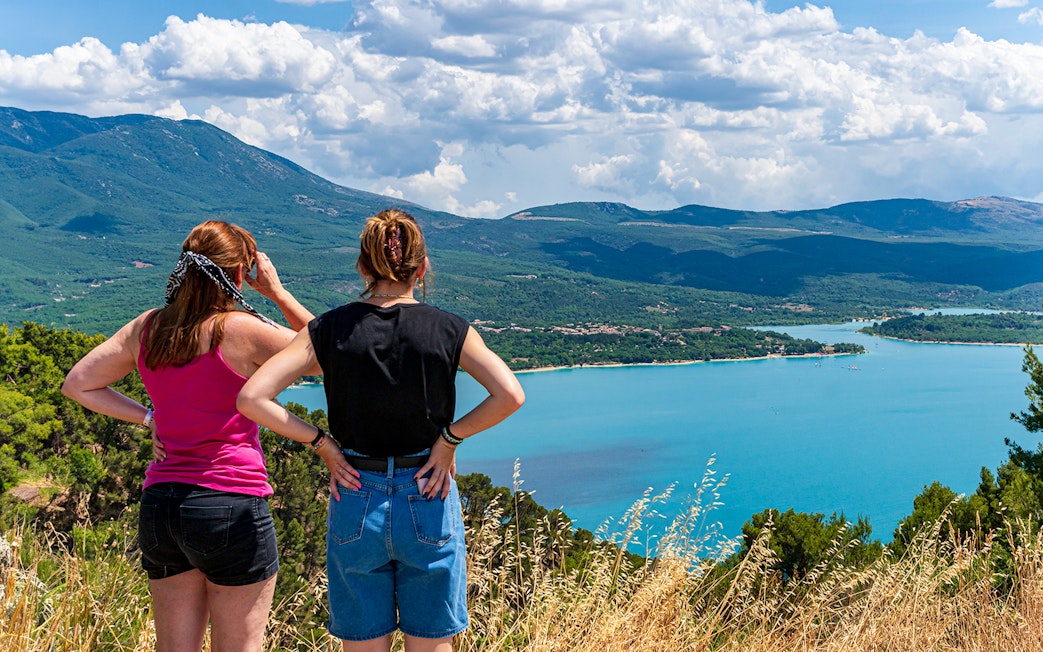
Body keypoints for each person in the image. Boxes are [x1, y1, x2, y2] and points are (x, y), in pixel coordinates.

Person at [237, 208, 525, 652]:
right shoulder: (449, 328)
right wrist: (449, 440)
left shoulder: (330, 328)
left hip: (354, 492)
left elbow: (251, 398)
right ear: (422, 267)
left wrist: (323, 445)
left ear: (363, 267)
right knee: (430, 643)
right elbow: (510, 395)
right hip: (427, 492)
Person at [61, 220, 337, 652]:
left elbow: (78, 383)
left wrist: (150, 417)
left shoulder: (148, 327)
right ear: (240, 274)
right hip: (230, 502)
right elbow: (329, 355)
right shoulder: (242, 330)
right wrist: (278, 293)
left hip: (162, 506)